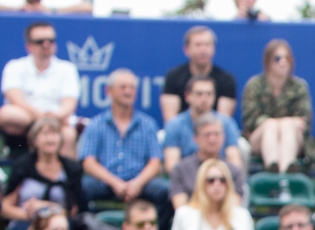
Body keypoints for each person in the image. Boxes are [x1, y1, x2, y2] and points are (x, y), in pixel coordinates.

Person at [77, 69, 169, 219]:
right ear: (109, 91)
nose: (128, 92)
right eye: (123, 87)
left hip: (140, 181)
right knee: (79, 188)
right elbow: (88, 162)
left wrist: (137, 183)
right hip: (105, 182)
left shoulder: (148, 124)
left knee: (166, 191)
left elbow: (155, 162)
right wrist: (115, 183)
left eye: (132, 88)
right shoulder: (96, 124)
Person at [0, 117, 86, 230]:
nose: (50, 139)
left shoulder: (72, 169)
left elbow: (75, 209)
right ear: (34, 140)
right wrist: (32, 215)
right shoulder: (22, 166)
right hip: (26, 222)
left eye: (54, 134)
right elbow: (6, 208)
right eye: (45, 134)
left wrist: (46, 209)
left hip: (61, 224)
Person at [0, 21, 79, 155]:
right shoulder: (14, 66)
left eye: (50, 41)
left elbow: (70, 103)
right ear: (28, 46)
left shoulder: (68, 68)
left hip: (57, 122)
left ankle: (66, 175)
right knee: (6, 114)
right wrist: (42, 118)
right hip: (26, 121)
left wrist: (54, 118)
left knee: (69, 134)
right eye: (40, 41)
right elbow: (15, 99)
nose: (46, 45)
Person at [240, 39, 313, 172]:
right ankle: (272, 168)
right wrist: (280, 122)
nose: (283, 62)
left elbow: (304, 120)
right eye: (278, 58)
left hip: (292, 137)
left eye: (287, 58)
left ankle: (286, 169)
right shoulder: (254, 85)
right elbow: (250, 120)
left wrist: (286, 123)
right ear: (268, 62)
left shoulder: (299, 86)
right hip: (260, 138)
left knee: (287, 126)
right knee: (271, 125)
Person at [161, 76, 243, 175]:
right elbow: (171, 166)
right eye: (199, 94)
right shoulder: (174, 125)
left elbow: (235, 163)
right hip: (187, 181)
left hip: (219, 180)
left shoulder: (227, 123)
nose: (204, 98)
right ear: (187, 96)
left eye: (209, 94)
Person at [169, 113, 250, 209]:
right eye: (207, 135)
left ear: (223, 137)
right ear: (196, 138)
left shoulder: (233, 171)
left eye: (216, 134)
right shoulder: (181, 169)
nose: (212, 139)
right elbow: (180, 209)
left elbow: (234, 208)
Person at [160, 27, 237, 121]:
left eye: (207, 44)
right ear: (186, 49)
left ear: (213, 48)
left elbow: (224, 122)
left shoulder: (226, 80)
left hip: (213, 133)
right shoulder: (174, 77)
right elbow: (170, 120)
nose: (203, 49)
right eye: (198, 45)